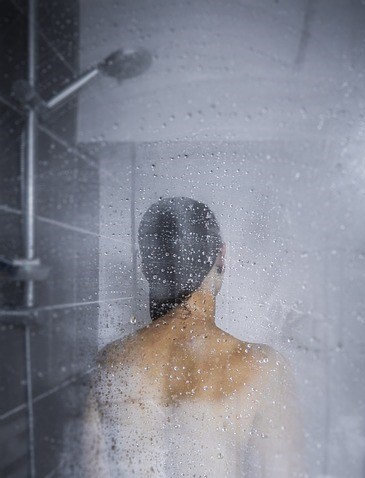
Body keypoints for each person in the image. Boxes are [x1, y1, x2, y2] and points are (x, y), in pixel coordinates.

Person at [82, 197, 304, 477]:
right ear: (221, 256)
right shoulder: (263, 367)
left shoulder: (109, 362)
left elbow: (92, 471)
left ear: (146, 265)